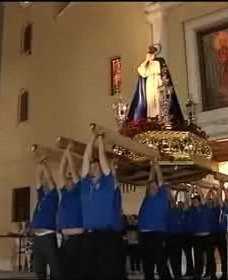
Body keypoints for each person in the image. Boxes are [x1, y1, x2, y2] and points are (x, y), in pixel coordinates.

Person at [81, 129, 123, 280]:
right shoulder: (86, 186)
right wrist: (92, 137)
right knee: (88, 272)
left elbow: (105, 166)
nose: (93, 168)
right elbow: (86, 158)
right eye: (92, 167)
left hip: (105, 236)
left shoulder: (106, 184)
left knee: (105, 272)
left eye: (96, 166)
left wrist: (100, 141)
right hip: (88, 236)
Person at [127, 44, 184, 125]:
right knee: (150, 102)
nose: (151, 54)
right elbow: (141, 72)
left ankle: (161, 118)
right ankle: (151, 118)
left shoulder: (160, 61)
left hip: (158, 82)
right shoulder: (146, 64)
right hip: (149, 83)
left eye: (153, 52)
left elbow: (163, 72)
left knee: (159, 100)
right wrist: (146, 60)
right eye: (150, 53)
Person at [138, 159, 172, 280]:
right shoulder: (147, 198)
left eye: (154, 186)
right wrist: (152, 166)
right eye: (150, 186)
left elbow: (160, 181)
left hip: (156, 234)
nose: (151, 187)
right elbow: (150, 180)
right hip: (144, 235)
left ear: (158, 189)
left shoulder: (162, 197)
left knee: (160, 262)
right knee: (147, 263)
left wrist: (157, 166)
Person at [57, 143, 85, 280]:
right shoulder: (64, 192)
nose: (68, 180)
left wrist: (68, 153)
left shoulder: (79, 190)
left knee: (77, 272)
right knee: (65, 272)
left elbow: (73, 172)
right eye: (67, 179)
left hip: (77, 239)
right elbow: (61, 171)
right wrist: (65, 152)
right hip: (65, 240)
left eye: (70, 179)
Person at [32, 159, 62, 280]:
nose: (44, 184)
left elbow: (49, 179)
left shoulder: (54, 195)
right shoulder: (42, 196)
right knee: (39, 269)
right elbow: (38, 180)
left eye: (46, 184)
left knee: (54, 268)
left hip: (48, 237)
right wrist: (38, 165)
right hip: (37, 237)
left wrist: (44, 164)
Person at [187, 186, 218, 280]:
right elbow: (188, 201)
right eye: (193, 201)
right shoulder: (192, 211)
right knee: (198, 257)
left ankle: (212, 275)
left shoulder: (205, 208)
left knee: (210, 257)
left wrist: (198, 189)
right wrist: (191, 189)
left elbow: (203, 200)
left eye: (196, 201)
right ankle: (197, 275)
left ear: (200, 202)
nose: (194, 203)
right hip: (197, 238)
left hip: (207, 236)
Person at [166, 191, 188, 280]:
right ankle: (176, 274)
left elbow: (173, 200)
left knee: (177, 256)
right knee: (172, 257)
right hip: (170, 237)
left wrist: (176, 192)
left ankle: (177, 274)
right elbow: (172, 200)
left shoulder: (177, 210)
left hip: (178, 236)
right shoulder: (166, 212)